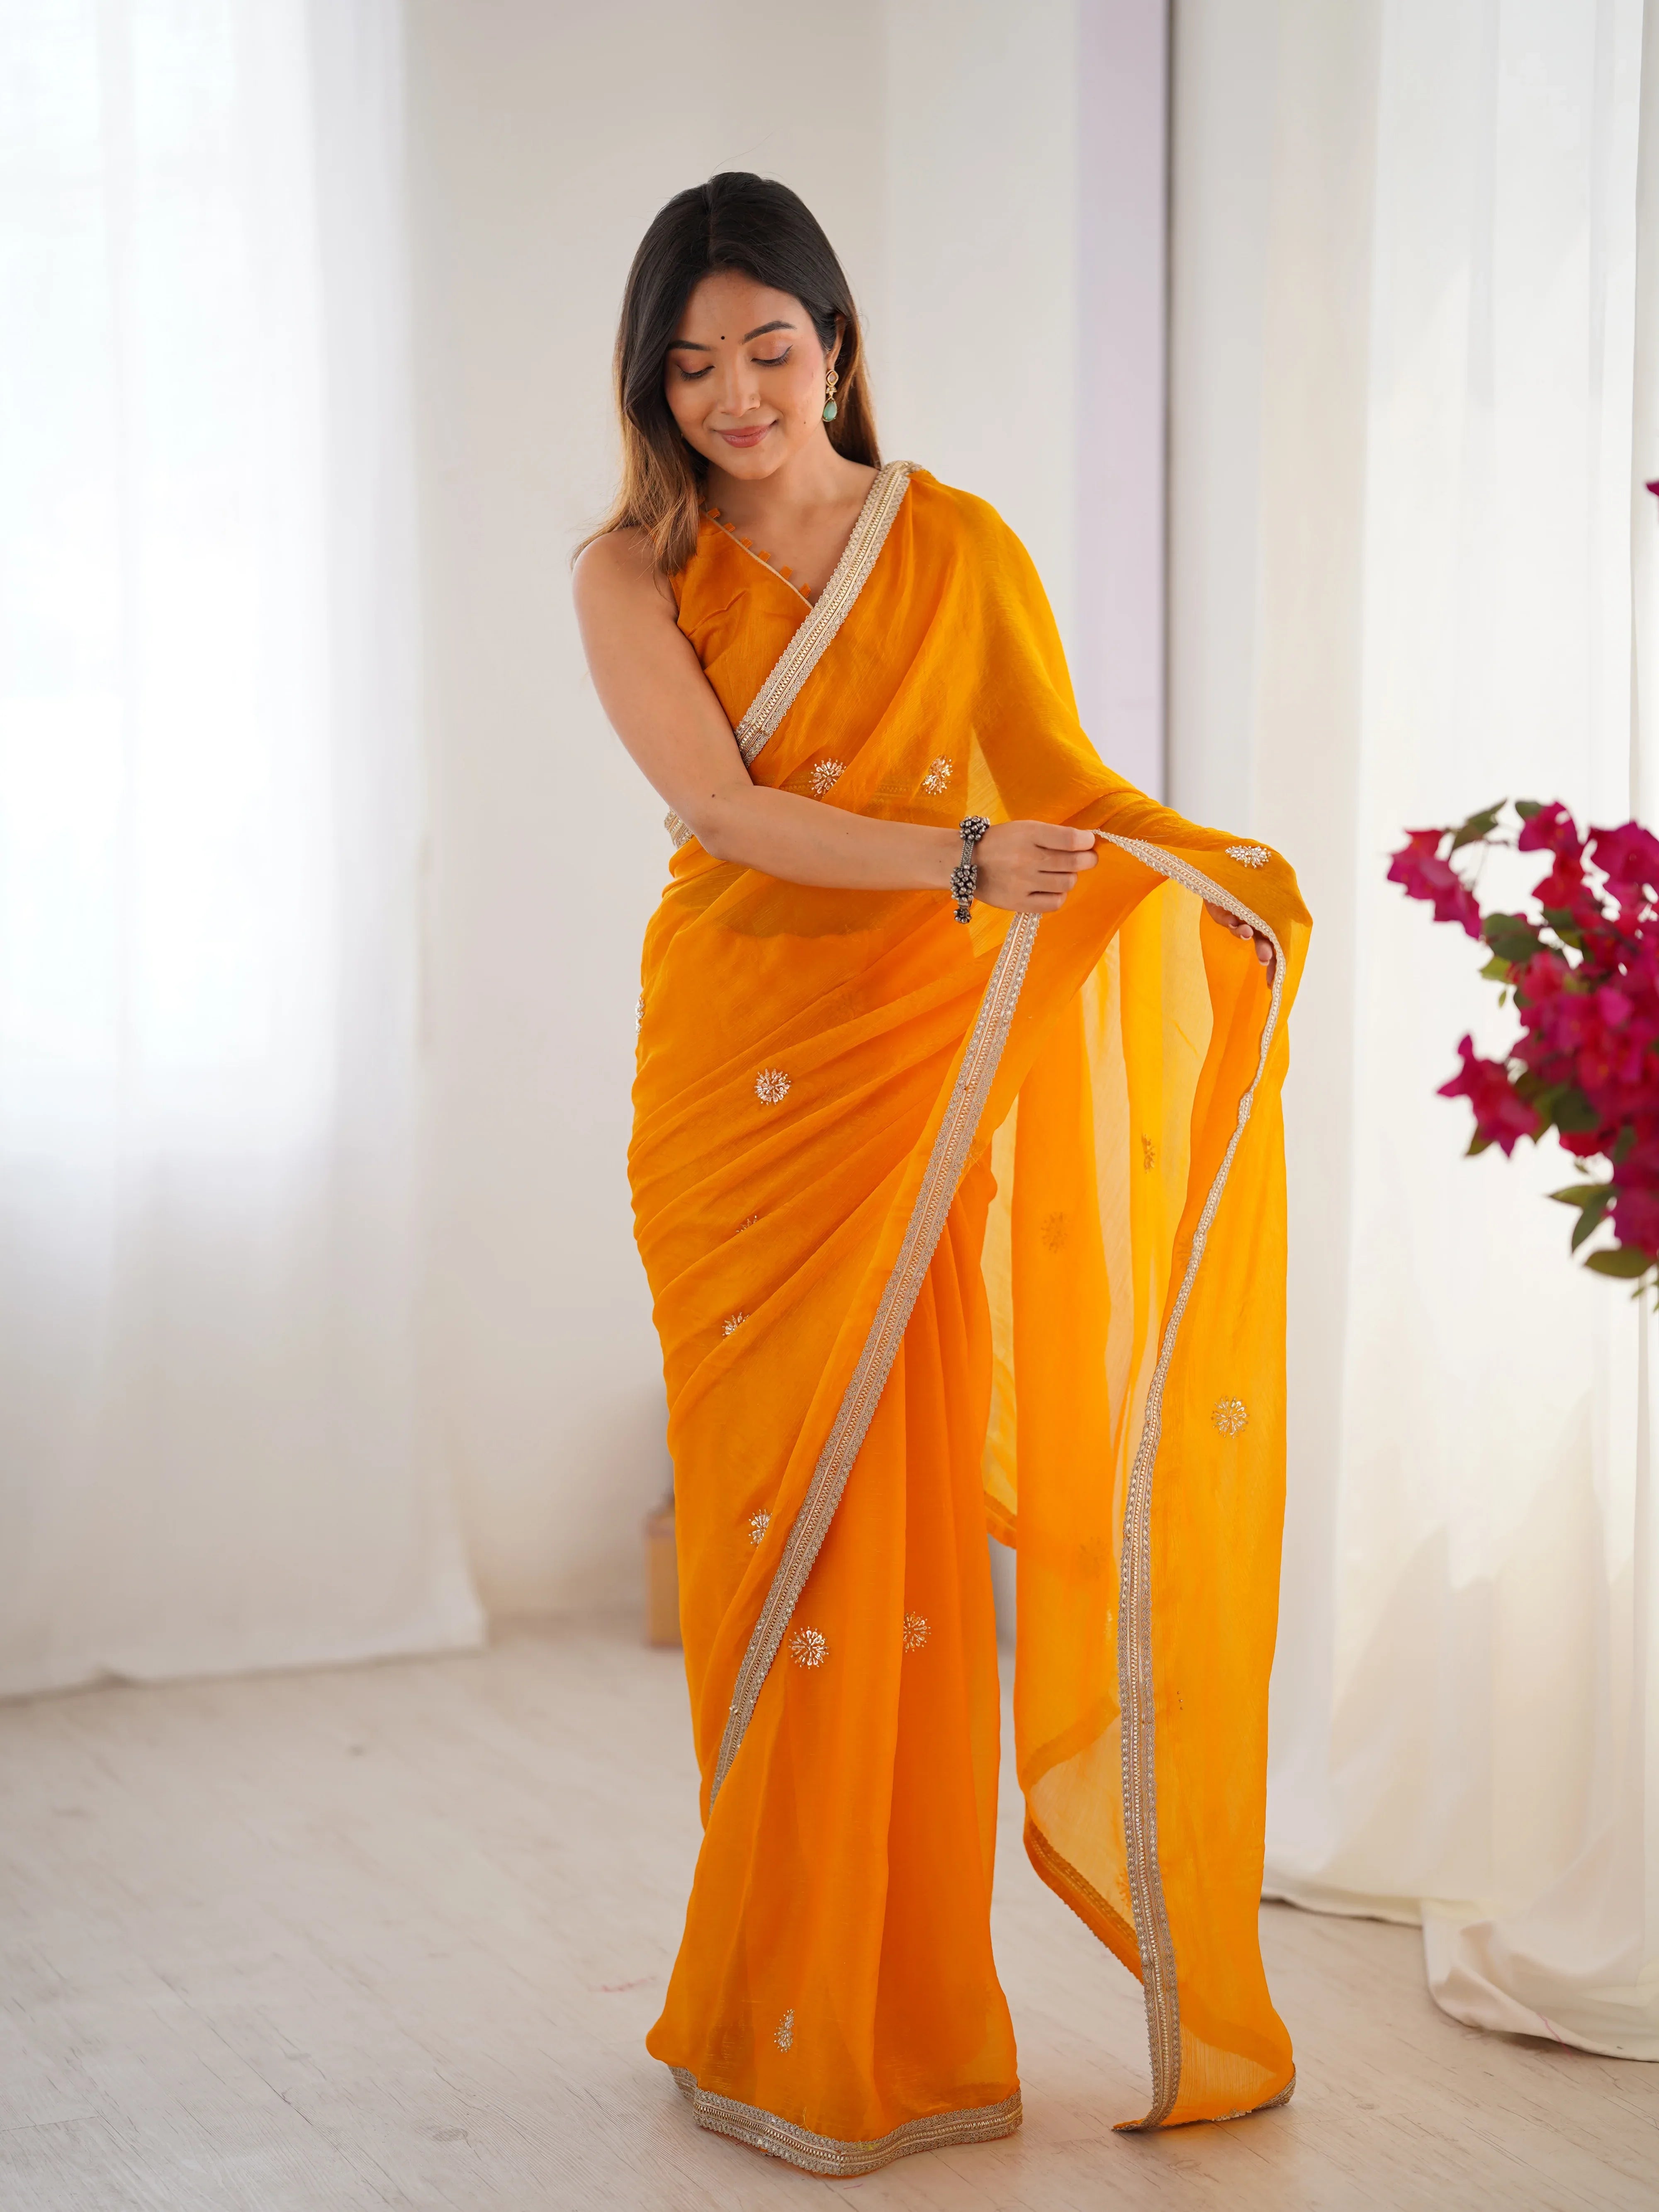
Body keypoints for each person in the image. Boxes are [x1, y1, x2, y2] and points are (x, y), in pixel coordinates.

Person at [574, 172, 1310, 2179]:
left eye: (770, 348)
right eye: (693, 361)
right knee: (766, 1545)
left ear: (837, 347)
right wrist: (960, 864)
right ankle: (766, 1998)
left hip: (913, 1075)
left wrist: (1210, 881)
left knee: (896, 1552)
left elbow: (1058, 783)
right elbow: (721, 806)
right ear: (656, 380)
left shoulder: (957, 546)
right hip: (738, 1083)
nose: (734, 392)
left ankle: (898, 2019)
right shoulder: (631, 568)